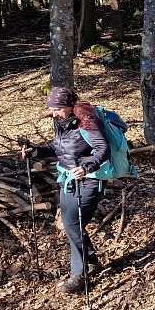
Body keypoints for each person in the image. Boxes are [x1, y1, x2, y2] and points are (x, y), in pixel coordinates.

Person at [20, 87, 109, 293]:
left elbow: (104, 149)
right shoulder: (62, 123)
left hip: (90, 181)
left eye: (57, 109)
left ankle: (79, 273)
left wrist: (86, 167)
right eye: (51, 110)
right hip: (68, 180)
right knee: (70, 224)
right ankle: (92, 261)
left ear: (69, 106)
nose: (54, 114)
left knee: (72, 223)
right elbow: (58, 149)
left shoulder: (87, 121)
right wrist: (36, 152)